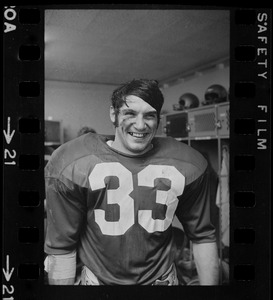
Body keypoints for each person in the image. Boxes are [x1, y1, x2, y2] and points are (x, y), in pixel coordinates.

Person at [44, 79, 219, 285]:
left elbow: (203, 237)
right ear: (113, 114)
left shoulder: (188, 163)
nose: (140, 124)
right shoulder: (73, 162)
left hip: (161, 281)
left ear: (158, 119)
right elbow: (62, 248)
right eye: (130, 113)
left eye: (149, 115)